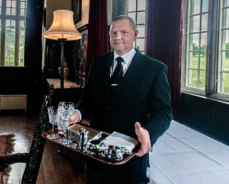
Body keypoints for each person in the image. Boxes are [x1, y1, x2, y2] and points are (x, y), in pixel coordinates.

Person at [70, 15, 173, 184]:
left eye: (124, 32)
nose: (118, 37)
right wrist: (77, 113)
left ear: (135, 34)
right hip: (95, 154)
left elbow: (164, 112)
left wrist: (149, 133)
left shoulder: (155, 69)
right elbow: (87, 98)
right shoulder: (98, 63)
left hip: (130, 158)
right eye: (114, 33)